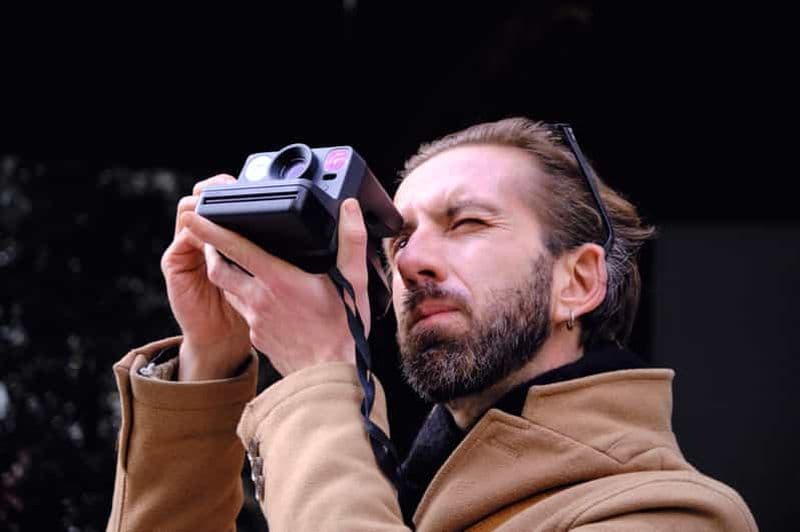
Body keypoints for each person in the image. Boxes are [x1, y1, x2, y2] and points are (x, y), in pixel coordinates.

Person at [106, 118, 757, 531]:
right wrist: (211, 358)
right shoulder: (385, 492)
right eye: (399, 240)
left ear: (579, 282)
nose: (410, 261)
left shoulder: (669, 513)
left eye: (466, 223)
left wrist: (320, 371)